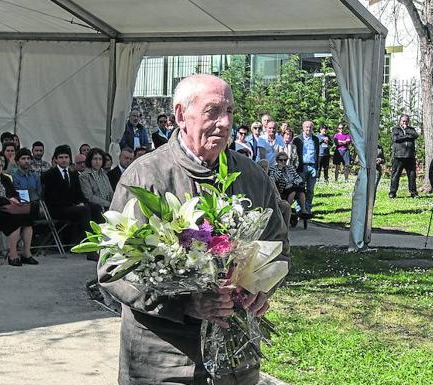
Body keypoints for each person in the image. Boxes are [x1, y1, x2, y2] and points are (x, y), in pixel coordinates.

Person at [99, 74, 287, 385]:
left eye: (229, 111)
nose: (225, 122)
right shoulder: (146, 176)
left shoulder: (251, 176)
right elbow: (113, 268)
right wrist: (185, 304)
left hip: (235, 360)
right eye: (213, 111)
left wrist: (261, 289)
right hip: (164, 362)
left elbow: (279, 247)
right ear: (180, 115)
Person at [41, 145, 92, 243]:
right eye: (61, 157)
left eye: (66, 157)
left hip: (71, 207)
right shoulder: (48, 175)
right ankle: (89, 245)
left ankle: (101, 243)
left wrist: (82, 202)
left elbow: (79, 193)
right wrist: (74, 204)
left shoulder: (73, 174)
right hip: (56, 209)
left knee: (95, 207)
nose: (64, 160)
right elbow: (52, 197)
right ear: (55, 159)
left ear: (70, 159)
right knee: (84, 210)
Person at [269, 152, 310, 217]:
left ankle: (303, 210)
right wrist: (280, 169)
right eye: (281, 160)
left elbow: (298, 178)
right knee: (293, 190)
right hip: (281, 188)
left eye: (285, 160)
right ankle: (287, 209)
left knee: (301, 190)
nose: (283, 162)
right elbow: (273, 179)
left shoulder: (290, 168)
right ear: (277, 160)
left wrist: (293, 183)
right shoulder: (273, 168)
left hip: (292, 186)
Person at [293, 120, 320, 213]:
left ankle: (307, 208)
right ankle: (299, 208)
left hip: (312, 167)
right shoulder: (297, 139)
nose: (308, 129)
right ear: (303, 128)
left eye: (310, 127)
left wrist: (317, 168)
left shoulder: (316, 139)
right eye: (306, 127)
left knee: (310, 190)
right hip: (301, 167)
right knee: (300, 189)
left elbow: (317, 154)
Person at [389, 114, 419, 198]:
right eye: (403, 121)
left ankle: (413, 192)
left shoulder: (411, 129)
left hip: (410, 156)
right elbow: (396, 139)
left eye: (406, 121)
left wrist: (407, 131)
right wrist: (408, 137)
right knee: (395, 175)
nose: (405, 122)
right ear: (400, 121)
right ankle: (392, 192)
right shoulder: (395, 129)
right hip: (399, 156)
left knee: (412, 175)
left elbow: (416, 135)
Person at [257, 158, 292, 227]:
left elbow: (276, 193)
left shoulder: (270, 180)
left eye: (266, 167)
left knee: (286, 205)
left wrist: (279, 200)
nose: (264, 169)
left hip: (274, 202)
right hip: (263, 203)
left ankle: (285, 230)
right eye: (262, 167)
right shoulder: (256, 179)